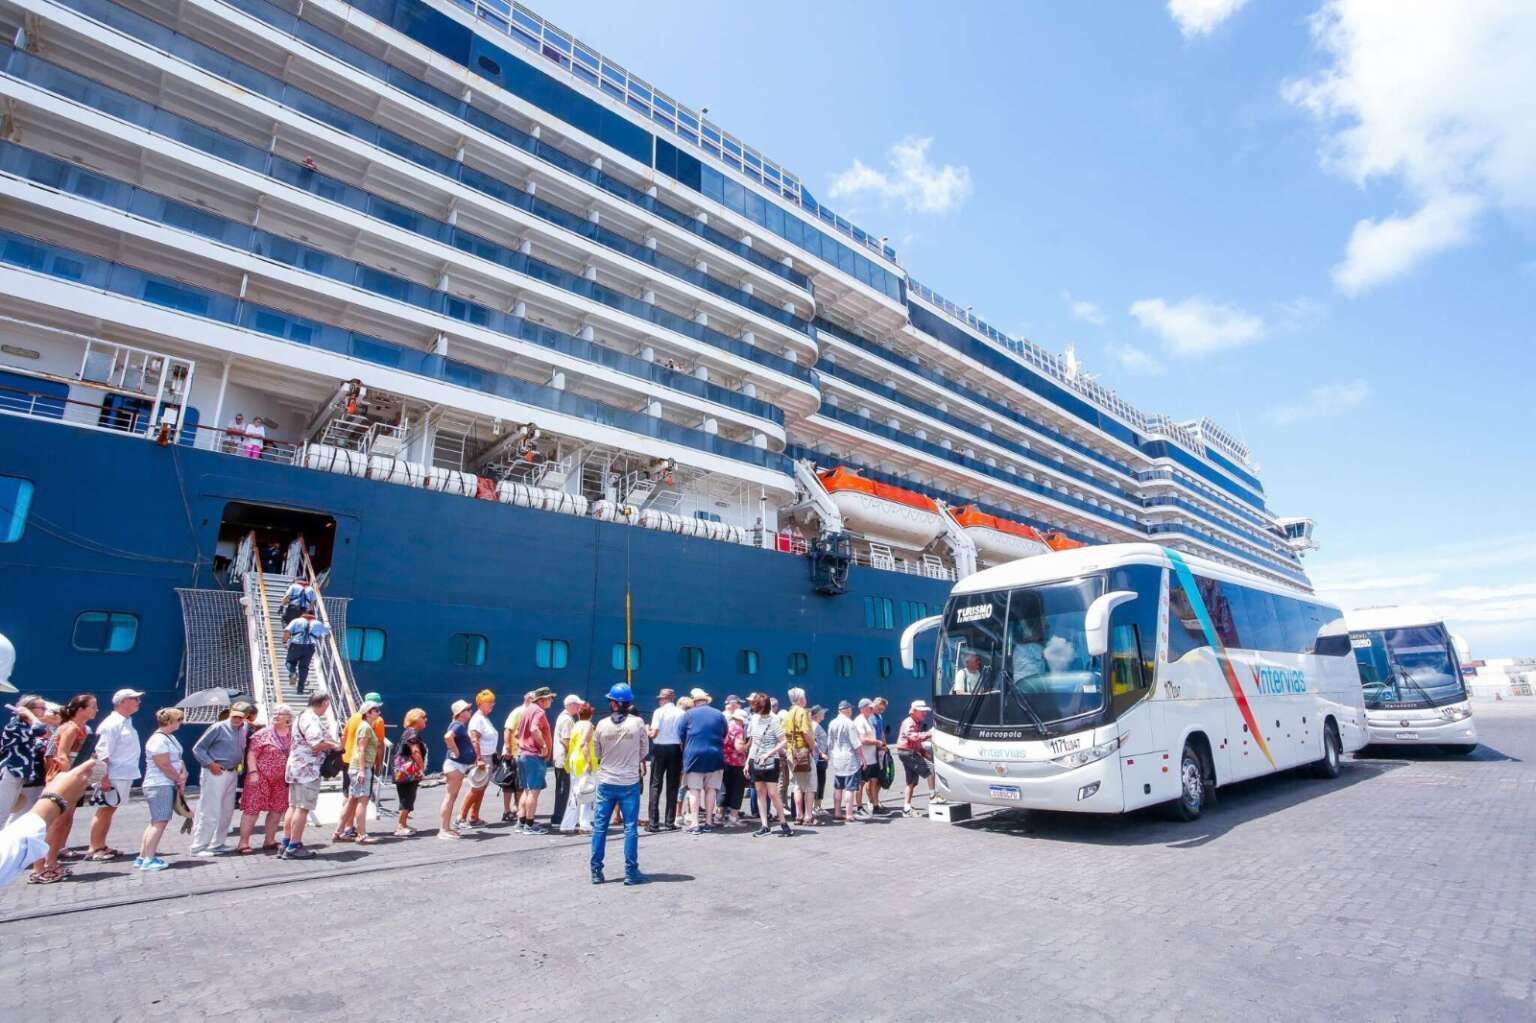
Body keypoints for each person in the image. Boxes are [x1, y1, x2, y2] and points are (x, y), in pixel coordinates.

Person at [1, 758, 95, 887]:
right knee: (48, 827)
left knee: (53, 826)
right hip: (44, 782)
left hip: (44, 782)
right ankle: (40, 868)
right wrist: (55, 796)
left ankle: (47, 864)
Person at [32, 693, 95, 883]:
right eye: (92, 706)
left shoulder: (81, 728)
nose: (96, 710)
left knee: (64, 823)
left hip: (70, 780)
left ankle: (51, 863)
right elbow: (61, 756)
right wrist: (71, 776)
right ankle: (38, 869)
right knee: (54, 825)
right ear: (80, 709)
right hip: (61, 781)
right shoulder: (70, 728)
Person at [590, 683, 649, 885]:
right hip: (629, 782)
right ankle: (631, 873)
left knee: (600, 827)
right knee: (630, 828)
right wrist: (630, 760)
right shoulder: (638, 723)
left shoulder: (601, 724)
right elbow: (644, 751)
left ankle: (596, 871)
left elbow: (597, 752)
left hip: (606, 780)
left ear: (614, 703)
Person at [281, 691, 338, 860]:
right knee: (302, 808)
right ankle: (294, 846)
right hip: (308, 769)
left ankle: (286, 842)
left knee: (293, 806)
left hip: (296, 767)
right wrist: (334, 745)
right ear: (325, 703)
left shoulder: (301, 716)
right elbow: (316, 744)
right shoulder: (311, 719)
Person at [88, 687, 143, 861]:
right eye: (135, 699)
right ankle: (95, 848)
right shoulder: (111, 724)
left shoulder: (125, 722)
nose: (139, 702)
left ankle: (101, 845)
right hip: (112, 775)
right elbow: (101, 753)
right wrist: (103, 779)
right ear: (123, 702)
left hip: (121, 774)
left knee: (109, 810)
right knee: (104, 810)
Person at [190, 702, 249, 856]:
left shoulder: (243, 729)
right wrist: (210, 764)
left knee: (226, 811)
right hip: (215, 772)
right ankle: (198, 846)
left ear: (246, 717)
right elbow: (198, 748)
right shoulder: (218, 727)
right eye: (234, 716)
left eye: (240, 717)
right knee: (210, 809)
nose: (237, 719)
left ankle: (217, 843)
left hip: (232, 772)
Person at [237, 705, 292, 853]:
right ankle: (243, 843)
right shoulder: (262, 734)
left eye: (280, 713)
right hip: (260, 776)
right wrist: (253, 772)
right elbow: (251, 754)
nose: (276, 715)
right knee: (252, 809)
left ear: (288, 718)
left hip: (282, 779)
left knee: (277, 809)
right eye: (274, 713)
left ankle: (269, 840)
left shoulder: (293, 734)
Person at [136, 708, 186, 870]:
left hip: (164, 783)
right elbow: (163, 764)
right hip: (159, 784)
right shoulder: (158, 740)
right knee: (160, 822)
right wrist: (178, 778)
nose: (181, 723)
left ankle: (143, 856)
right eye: (179, 720)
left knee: (156, 821)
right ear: (170, 721)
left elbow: (176, 759)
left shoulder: (168, 737)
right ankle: (149, 859)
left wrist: (182, 772)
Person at [677, 688, 726, 833]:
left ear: (694, 702)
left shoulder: (688, 714)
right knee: (711, 790)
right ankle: (709, 821)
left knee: (694, 790)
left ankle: (695, 823)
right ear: (706, 700)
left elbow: (681, 734)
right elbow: (725, 733)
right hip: (715, 755)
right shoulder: (719, 714)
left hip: (694, 755)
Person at [339, 691, 386, 838]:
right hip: (362, 763)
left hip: (347, 758)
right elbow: (379, 744)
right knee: (362, 798)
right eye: (377, 708)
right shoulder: (377, 721)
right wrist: (379, 763)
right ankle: (358, 831)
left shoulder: (353, 717)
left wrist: (341, 752)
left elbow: (343, 736)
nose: (379, 711)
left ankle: (346, 827)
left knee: (349, 795)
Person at [0, 695, 49, 824]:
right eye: (42, 708)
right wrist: (30, 715)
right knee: (2, 812)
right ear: (29, 709)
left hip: (18, 773)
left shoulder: (26, 726)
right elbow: (40, 730)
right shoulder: (15, 725)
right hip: (10, 772)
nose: (45, 711)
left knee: (12, 811)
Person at [745, 694, 789, 837]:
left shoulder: (774, 720)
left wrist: (769, 753)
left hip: (770, 762)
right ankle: (764, 825)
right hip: (756, 761)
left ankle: (783, 823)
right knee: (760, 792)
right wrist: (748, 762)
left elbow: (784, 741)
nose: (754, 707)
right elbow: (754, 743)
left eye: (756, 705)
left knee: (773, 793)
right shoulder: (754, 719)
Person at [516, 687, 555, 834]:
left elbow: (518, 732)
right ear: (542, 700)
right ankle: (529, 824)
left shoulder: (527, 710)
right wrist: (543, 745)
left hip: (523, 754)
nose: (551, 701)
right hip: (533, 756)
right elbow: (534, 729)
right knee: (534, 791)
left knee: (527, 790)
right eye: (550, 698)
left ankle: (521, 821)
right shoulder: (539, 711)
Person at [646, 688, 683, 832]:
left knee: (655, 784)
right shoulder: (681, 712)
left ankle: (653, 823)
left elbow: (654, 734)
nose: (659, 701)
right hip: (675, 748)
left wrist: (647, 730)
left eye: (660, 698)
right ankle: (669, 822)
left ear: (664, 699)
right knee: (673, 786)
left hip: (660, 748)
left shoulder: (658, 712)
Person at [439, 699, 477, 840]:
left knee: (452, 797)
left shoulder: (458, 725)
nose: (470, 711)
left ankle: (446, 828)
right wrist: (455, 751)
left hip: (457, 766)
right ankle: (443, 829)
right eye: (467, 709)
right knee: (450, 797)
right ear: (460, 713)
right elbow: (448, 737)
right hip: (455, 766)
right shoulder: (458, 725)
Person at [460, 690, 498, 828]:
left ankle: (474, 817)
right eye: (489, 702)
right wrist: (479, 758)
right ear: (481, 703)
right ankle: (460, 818)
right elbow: (474, 739)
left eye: (493, 702)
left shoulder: (484, 718)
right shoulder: (477, 719)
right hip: (482, 758)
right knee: (476, 788)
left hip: (488, 756)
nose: (492, 705)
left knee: (481, 788)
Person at [559, 703, 597, 835]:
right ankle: (585, 825)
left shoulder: (576, 725)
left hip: (574, 761)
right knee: (587, 792)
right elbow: (583, 743)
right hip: (583, 761)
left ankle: (567, 824)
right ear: (591, 714)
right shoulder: (588, 725)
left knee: (575, 793)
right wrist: (589, 761)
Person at [781, 687, 816, 826]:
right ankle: (808, 815)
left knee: (796, 785)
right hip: (803, 752)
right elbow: (806, 732)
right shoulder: (802, 712)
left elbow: (784, 734)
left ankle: (799, 815)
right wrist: (813, 747)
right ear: (801, 699)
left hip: (791, 753)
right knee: (810, 785)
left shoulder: (788, 713)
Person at [392, 708, 428, 836]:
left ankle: (404, 824)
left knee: (408, 796)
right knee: (407, 797)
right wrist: (421, 768)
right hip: (407, 772)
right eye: (423, 717)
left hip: (404, 772)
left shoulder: (409, 732)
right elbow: (415, 751)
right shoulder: (412, 733)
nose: (426, 720)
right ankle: (401, 826)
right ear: (416, 719)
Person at [897, 700, 935, 816]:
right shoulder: (909, 722)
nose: (924, 713)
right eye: (922, 711)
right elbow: (913, 738)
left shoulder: (915, 722)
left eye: (925, 711)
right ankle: (933, 797)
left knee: (911, 782)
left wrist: (924, 753)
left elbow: (916, 742)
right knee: (930, 771)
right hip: (908, 752)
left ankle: (906, 808)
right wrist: (930, 733)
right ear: (913, 711)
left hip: (906, 752)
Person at [827, 701, 862, 822]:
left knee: (838, 787)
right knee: (849, 788)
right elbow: (856, 743)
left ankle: (837, 812)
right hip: (849, 758)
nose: (851, 711)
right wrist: (862, 758)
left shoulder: (832, 723)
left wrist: (830, 756)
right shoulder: (850, 723)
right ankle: (849, 814)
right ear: (846, 710)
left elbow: (829, 743)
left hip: (836, 758)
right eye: (850, 709)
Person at [549, 694, 581, 829]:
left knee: (561, 788)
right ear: (570, 705)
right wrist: (574, 755)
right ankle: (558, 817)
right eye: (577, 705)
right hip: (564, 760)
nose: (579, 707)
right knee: (563, 789)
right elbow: (566, 740)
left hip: (559, 758)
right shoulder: (567, 720)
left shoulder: (562, 717)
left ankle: (558, 816)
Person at [499, 693, 530, 823]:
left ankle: (517, 808)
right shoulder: (518, 712)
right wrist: (508, 748)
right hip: (513, 753)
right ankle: (507, 811)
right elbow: (508, 730)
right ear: (529, 700)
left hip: (521, 753)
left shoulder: (529, 712)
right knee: (508, 783)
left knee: (519, 784)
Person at [284, 611, 329, 692]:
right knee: (304, 668)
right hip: (309, 647)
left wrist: (284, 642)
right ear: (313, 615)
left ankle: (293, 673)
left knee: (290, 662)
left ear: (303, 614)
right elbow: (326, 633)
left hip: (296, 645)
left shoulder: (296, 621)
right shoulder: (318, 623)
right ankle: (300, 689)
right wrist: (327, 625)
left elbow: (287, 631)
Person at [854, 698, 881, 819]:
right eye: (869, 707)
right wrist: (877, 742)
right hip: (863, 758)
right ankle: (859, 807)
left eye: (872, 707)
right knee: (860, 783)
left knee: (874, 780)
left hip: (872, 757)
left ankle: (875, 805)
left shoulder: (869, 719)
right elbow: (862, 740)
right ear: (863, 708)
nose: (871, 709)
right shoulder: (859, 721)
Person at [721, 707, 749, 826]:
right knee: (737, 790)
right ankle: (733, 817)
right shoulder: (738, 729)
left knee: (724, 789)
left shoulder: (727, 727)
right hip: (737, 763)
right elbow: (739, 748)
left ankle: (719, 816)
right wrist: (748, 744)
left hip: (725, 761)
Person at [810, 705, 829, 817]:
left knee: (820, 782)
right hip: (818, 759)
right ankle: (815, 807)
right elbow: (813, 741)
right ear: (817, 714)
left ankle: (817, 806)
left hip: (820, 758)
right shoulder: (814, 725)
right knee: (818, 782)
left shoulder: (816, 725)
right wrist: (821, 753)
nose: (824, 714)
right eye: (822, 713)